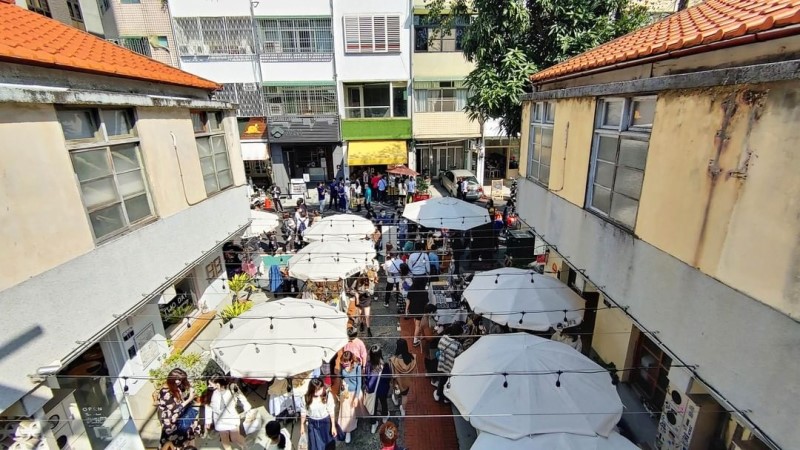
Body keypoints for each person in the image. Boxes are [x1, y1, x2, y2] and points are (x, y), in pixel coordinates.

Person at [157, 368, 199, 450]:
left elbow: (180, 400)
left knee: (186, 438)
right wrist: (189, 399)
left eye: (181, 379)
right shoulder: (165, 392)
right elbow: (175, 408)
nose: (179, 381)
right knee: (172, 442)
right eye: (177, 379)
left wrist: (190, 388)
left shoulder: (176, 387)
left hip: (180, 418)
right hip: (171, 421)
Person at [208, 375, 250, 450]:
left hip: (232, 417)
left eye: (210, 384)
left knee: (235, 438)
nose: (209, 386)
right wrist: (208, 421)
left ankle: (245, 447)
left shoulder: (232, 387)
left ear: (217, 384)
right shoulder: (211, 392)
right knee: (225, 440)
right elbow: (209, 406)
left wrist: (247, 409)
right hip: (219, 420)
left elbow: (241, 397)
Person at [300, 377, 337, 450]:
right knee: (314, 446)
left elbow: (331, 411)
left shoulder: (327, 395)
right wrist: (302, 425)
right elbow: (303, 411)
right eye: (315, 390)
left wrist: (333, 426)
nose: (318, 392)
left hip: (325, 422)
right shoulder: (306, 398)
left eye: (320, 389)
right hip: (312, 423)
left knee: (328, 444)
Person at [365, 345, 392, 434]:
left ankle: (373, 423)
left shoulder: (368, 365)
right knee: (383, 402)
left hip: (372, 390)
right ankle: (385, 416)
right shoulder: (384, 365)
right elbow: (388, 377)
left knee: (373, 406)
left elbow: (367, 377)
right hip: (382, 389)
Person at [434, 324, 464, 403]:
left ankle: (438, 395)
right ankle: (446, 398)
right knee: (448, 382)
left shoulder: (444, 338)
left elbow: (439, 346)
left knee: (441, 380)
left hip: (441, 364)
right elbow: (460, 355)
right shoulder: (458, 345)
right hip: (450, 367)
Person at [337, 351, 362, 444]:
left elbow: (359, 383)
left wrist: (356, 397)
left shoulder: (357, 367)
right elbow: (341, 377)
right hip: (345, 392)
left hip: (354, 392)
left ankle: (351, 426)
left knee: (353, 412)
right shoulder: (342, 366)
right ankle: (348, 431)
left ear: (351, 360)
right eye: (343, 361)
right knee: (346, 413)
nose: (344, 363)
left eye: (346, 361)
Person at [389, 339, 416, 416]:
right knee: (404, 396)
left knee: (396, 392)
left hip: (397, 382)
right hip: (406, 383)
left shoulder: (393, 360)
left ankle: (396, 400)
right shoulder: (412, 358)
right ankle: (403, 410)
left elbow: (392, 373)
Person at [419, 304, 440, 378]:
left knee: (428, 358)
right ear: (430, 312)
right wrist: (438, 332)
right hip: (428, 344)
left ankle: (429, 372)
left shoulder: (426, 317)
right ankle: (432, 376)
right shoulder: (426, 322)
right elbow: (429, 338)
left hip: (427, 343)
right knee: (431, 359)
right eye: (434, 312)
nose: (436, 313)